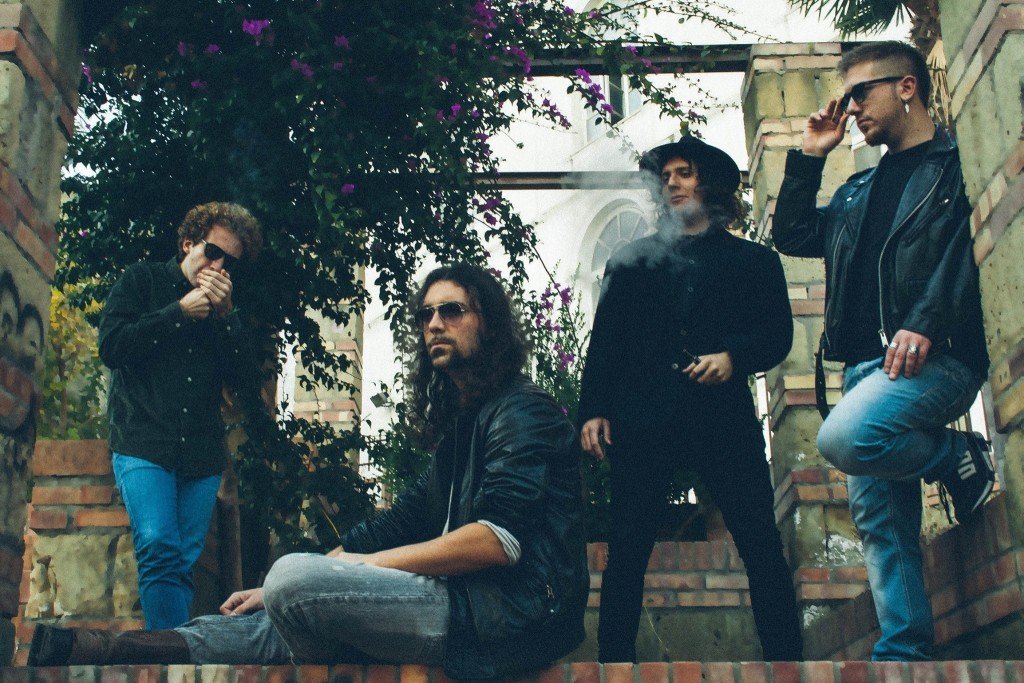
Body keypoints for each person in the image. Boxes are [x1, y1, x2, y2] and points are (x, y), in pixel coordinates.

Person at [30, 263, 589, 680]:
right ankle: (110, 649)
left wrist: (349, 571)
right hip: (462, 607)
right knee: (271, 603)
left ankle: (301, 618)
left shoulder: (524, 412)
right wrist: (307, 577)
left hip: (508, 616)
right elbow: (392, 525)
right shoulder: (460, 433)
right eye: (425, 315)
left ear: (488, 324)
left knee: (294, 581)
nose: (434, 324)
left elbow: (496, 541)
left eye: (452, 311)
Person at [772, 41, 993, 661]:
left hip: (937, 356)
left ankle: (957, 454)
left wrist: (925, 322)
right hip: (867, 366)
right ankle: (904, 650)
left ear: (906, 86)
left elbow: (963, 248)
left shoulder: (956, 164)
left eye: (859, 93)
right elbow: (792, 234)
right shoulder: (857, 191)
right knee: (879, 520)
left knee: (845, 439)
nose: (850, 109)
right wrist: (810, 157)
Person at [578, 134, 803, 663]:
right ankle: (615, 665)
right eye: (666, 176)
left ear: (711, 183)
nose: (673, 184)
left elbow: (777, 335)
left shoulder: (753, 261)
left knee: (759, 540)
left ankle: (787, 663)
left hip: (723, 420)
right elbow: (606, 341)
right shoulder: (631, 261)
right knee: (628, 545)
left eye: (685, 173)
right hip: (643, 420)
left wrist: (733, 357)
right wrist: (593, 410)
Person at [97, 202, 264, 629]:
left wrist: (227, 318)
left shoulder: (226, 314)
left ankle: (169, 650)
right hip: (142, 442)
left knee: (182, 565)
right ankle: (171, 656)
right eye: (213, 252)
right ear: (189, 243)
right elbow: (112, 346)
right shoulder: (142, 281)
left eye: (229, 263)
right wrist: (178, 313)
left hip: (200, 456)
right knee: (157, 546)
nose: (218, 267)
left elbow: (247, 382)